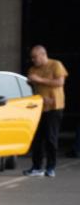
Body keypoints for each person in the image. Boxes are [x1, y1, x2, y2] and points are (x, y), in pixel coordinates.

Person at [24, 45, 68, 177]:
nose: (33, 60)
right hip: (38, 107)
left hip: (54, 107)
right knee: (37, 139)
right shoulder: (32, 69)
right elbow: (33, 87)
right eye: (31, 57)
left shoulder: (55, 65)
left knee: (51, 137)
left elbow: (60, 82)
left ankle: (51, 167)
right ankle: (36, 167)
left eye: (35, 57)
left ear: (43, 54)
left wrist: (39, 79)